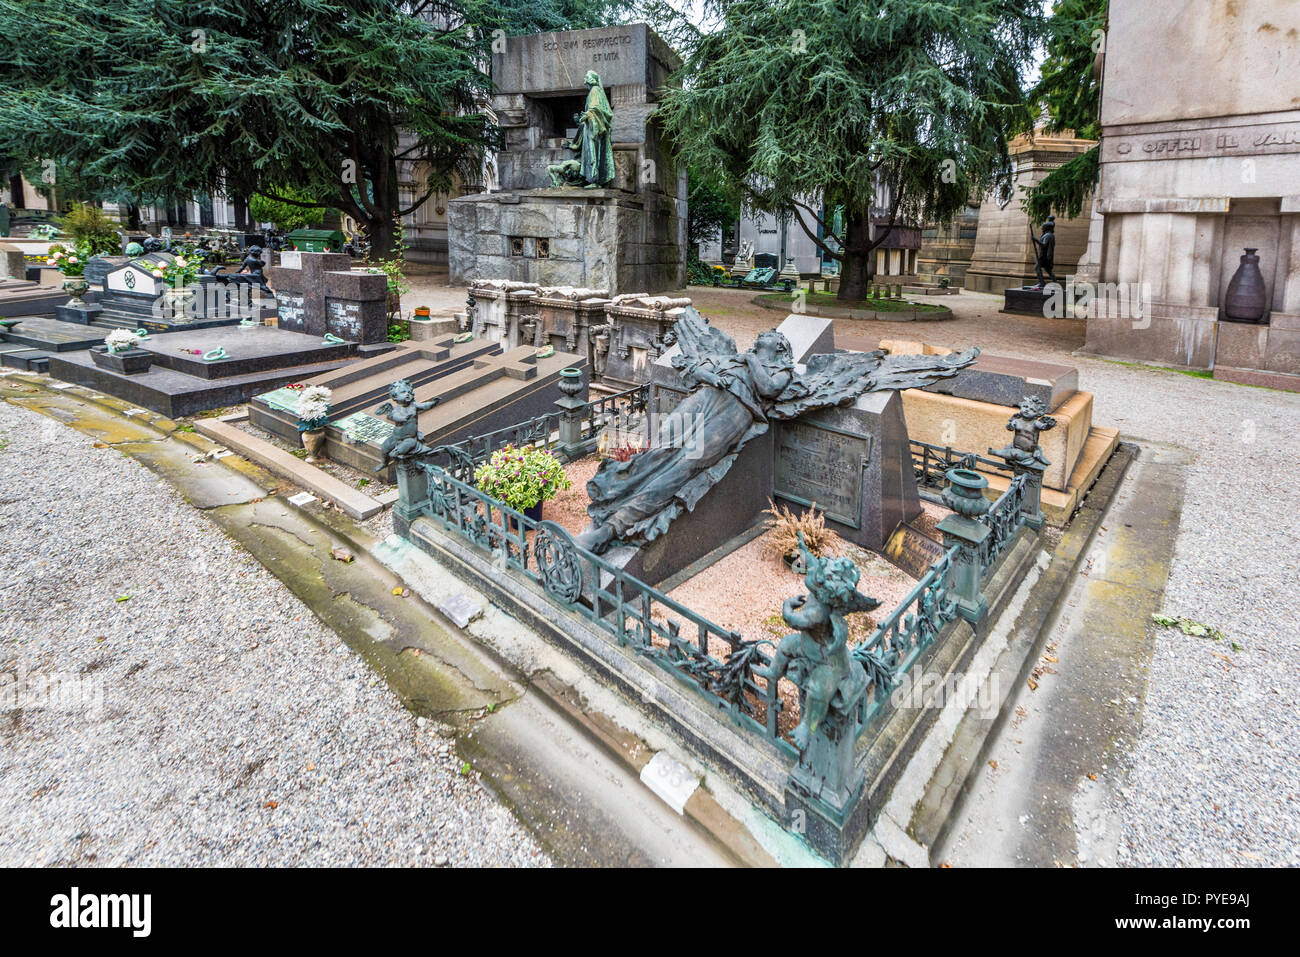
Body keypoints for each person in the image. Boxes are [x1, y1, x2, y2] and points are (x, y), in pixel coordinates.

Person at [577, 70, 614, 188]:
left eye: (586, 78)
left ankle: (595, 179)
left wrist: (587, 115)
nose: (584, 80)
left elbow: (596, 108)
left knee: (594, 153)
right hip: (592, 126)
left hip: (595, 128)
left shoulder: (595, 90)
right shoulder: (596, 91)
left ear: (590, 80)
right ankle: (596, 179)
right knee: (595, 153)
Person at [1030, 215, 1057, 288]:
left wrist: (1035, 240)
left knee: (1037, 267)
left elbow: (1044, 245)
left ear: (1046, 228)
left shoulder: (1047, 235)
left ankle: (1042, 283)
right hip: (1046, 256)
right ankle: (1055, 282)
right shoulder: (1050, 235)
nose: (1042, 229)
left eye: (1043, 228)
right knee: (1048, 270)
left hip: (1044, 256)